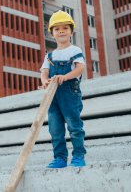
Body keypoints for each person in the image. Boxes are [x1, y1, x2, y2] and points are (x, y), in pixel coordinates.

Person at [40, 10, 87, 168]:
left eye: (65, 28)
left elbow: (80, 69)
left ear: (71, 32)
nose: (61, 31)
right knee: (55, 129)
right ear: (52, 33)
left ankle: (79, 156)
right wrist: (45, 80)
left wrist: (65, 77)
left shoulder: (75, 50)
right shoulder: (50, 56)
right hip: (52, 96)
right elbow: (44, 72)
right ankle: (59, 158)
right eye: (57, 28)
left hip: (69, 93)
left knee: (74, 126)